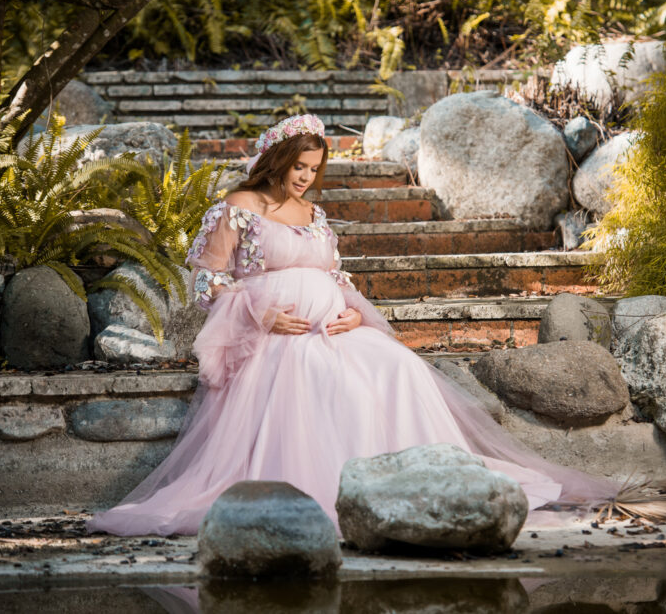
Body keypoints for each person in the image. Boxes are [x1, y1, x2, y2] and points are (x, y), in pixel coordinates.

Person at [86, 114, 621, 537]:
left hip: (332, 328)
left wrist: (351, 312)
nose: (305, 178)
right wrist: (261, 313)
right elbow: (204, 281)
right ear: (276, 160)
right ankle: (335, 493)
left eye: (313, 169)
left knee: (398, 366)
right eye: (299, 166)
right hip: (274, 339)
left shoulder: (316, 217)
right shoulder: (238, 208)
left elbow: (337, 278)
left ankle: (404, 488)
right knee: (325, 378)